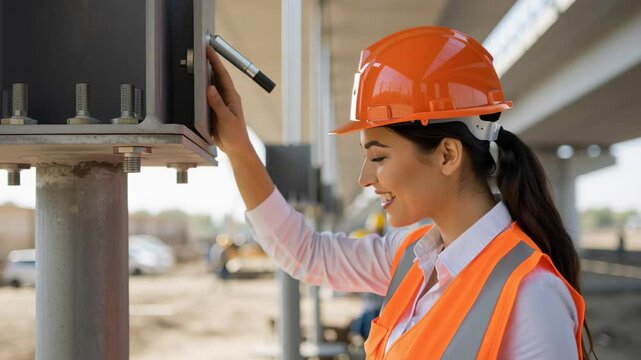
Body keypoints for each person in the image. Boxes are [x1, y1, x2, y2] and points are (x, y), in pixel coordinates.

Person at [205, 26, 595, 359]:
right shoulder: (410, 258)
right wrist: (238, 147)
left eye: (378, 157)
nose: (364, 178)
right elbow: (306, 253)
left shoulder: (531, 296)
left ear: (447, 155)